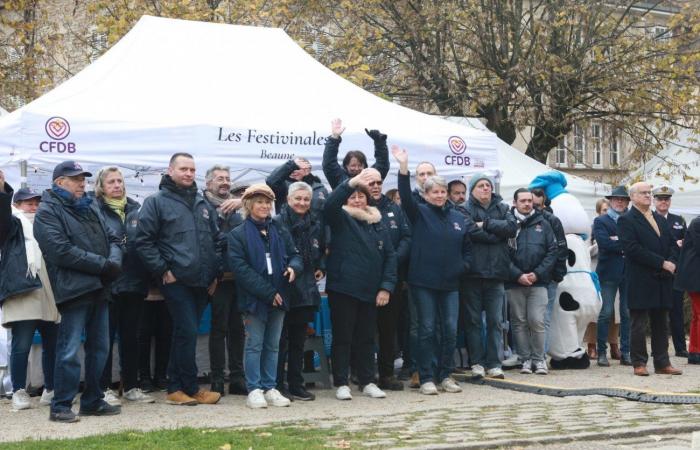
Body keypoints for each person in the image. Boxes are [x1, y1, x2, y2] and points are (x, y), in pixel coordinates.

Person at [33, 161, 123, 422]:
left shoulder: (91, 205)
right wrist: (104, 265)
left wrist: (113, 262)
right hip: (73, 290)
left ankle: (92, 401)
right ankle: (60, 406)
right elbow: (60, 251)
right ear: (59, 182)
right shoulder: (47, 211)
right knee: (69, 350)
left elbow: (114, 237)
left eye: (83, 178)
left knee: (100, 349)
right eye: (75, 179)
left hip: (100, 287)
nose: (82, 182)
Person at [135, 153, 223, 406]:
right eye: (183, 168)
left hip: (203, 281)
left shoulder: (202, 203)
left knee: (184, 334)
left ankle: (176, 387)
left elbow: (217, 241)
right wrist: (163, 270)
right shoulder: (156, 202)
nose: (188, 173)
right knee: (186, 331)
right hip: (177, 280)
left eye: (192, 169)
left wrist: (215, 273)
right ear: (170, 170)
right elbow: (144, 241)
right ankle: (190, 388)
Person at [393, 146, 472, 394]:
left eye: (441, 192)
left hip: (450, 284)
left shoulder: (458, 217)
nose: (438, 195)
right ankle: (426, 376)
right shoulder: (420, 213)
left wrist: (462, 266)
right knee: (426, 330)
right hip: (423, 283)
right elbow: (405, 196)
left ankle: (445, 374)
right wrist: (403, 168)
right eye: (434, 192)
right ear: (426, 195)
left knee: (449, 330)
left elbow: (468, 249)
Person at [227, 184, 303, 409]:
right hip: (255, 300)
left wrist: (293, 269)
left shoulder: (278, 229)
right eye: (259, 202)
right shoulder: (237, 234)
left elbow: (295, 255)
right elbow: (241, 271)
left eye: (267, 202)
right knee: (254, 345)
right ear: (249, 205)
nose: (264, 206)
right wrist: (269, 293)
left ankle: (270, 387)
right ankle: (254, 389)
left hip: (281, 295)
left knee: (273, 345)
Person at [324, 169, 397, 400]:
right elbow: (328, 206)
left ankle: (367, 381)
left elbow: (390, 256)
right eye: (353, 196)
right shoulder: (340, 218)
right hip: (343, 288)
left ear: (368, 199)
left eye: (361, 196)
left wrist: (386, 287)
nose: (357, 200)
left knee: (367, 338)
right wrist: (350, 183)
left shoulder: (378, 221)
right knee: (343, 337)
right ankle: (342, 382)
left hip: (371, 290)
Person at [91, 167, 154, 405]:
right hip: (107, 283)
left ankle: (131, 385)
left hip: (135, 281)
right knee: (104, 338)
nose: (117, 185)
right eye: (111, 182)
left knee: (131, 337)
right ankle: (104, 386)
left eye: (119, 181)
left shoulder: (136, 210)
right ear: (101, 186)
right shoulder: (95, 209)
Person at [0, 177, 60, 411]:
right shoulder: (12, 225)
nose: (33, 207)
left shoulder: (48, 224)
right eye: (28, 203)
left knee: (52, 344)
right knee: (21, 346)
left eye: (37, 203)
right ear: (16, 205)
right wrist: (2, 191)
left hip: (49, 291)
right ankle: (18, 390)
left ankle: (51, 389)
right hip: (22, 291)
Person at [618, 182, 680, 376]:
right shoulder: (626, 220)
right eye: (643, 193)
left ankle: (662, 362)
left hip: (662, 279)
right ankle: (639, 362)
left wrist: (671, 261)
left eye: (648, 193)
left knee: (661, 322)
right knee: (639, 322)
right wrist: (662, 262)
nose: (648, 196)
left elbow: (672, 244)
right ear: (633, 197)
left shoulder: (659, 219)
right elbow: (632, 249)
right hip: (641, 278)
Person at [273, 182, 327, 401]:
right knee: (280, 341)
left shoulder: (315, 222)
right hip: (285, 288)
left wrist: (321, 266)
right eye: (298, 198)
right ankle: (277, 384)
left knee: (298, 341)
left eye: (306, 199)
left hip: (306, 290)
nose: (303, 203)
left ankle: (296, 383)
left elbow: (322, 249)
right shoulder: (277, 222)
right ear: (288, 199)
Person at [461, 173, 516, 379]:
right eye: (481, 185)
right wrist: (495, 232)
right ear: (472, 189)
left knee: (495, 321)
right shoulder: (464, 209)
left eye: (488, 185)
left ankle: (494, 363)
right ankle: (476, 362)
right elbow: (469, 231)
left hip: (496, 274)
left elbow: (511, 228)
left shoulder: (503, 207)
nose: (485, 188)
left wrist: (485, 224)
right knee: (473, 321)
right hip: (472, 274)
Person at [202, 165, 247, 396]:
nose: (225, 182)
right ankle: (217, 379)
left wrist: (243, 203)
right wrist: (213, 274)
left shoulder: (239, 207)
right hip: (217, 279)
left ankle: (238, 379)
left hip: (238, 279)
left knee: (237, 330)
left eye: (228, 178)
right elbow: (208, 243)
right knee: (218, 329)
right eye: (220, 178)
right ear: (209, 183)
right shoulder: (203, 206)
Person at [367, 170, 412, 391]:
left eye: (378, 182)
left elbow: (406, 237)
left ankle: (386, 375)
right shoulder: (357, 208)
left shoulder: (394, 208)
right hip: (366, 280)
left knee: (388, 330)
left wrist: (393, 259)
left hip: (392, 278)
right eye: (371, 183)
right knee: (365, 330)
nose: (375, 186)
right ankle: (363, 374)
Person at [506, 189, 557, 375]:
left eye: (529, 201)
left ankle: (539, 359)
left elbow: (552, 252)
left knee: (537, 320)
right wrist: (517, 275)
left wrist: (536, 274)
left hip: (539, 282)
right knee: (518, 322)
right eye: (523, 201)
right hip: (515, 282)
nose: (527, 204)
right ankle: (525, 359)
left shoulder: (544, 223)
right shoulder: (508, 224)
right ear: (515, 202)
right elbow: (502, 254)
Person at [592, 186, 632, 367]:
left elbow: (636, 244)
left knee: (626, 313)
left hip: (629, 271)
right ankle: (602, 352)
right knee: (606, 312)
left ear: (627, 202)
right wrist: (625, 245)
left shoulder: (632, 220)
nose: (620, 202)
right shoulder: (601, 221)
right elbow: (605, 244)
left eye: (623, 199)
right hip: (608, 271)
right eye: (616, 199)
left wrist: (618, 241)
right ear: (610, 201)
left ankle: (626, 353)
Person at [530, 188, 568, 353]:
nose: (535, 208)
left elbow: (561, 248)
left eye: (538, 205)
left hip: (548, 276)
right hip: (524, 276)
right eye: (532, 204)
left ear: (544, 204)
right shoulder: (517, 219)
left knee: (544, 317)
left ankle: (541, 356)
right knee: (524, 319)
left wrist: (557, 274)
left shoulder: (552, 220)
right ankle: (524, 355)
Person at [653, 185, 688, 357]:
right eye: (660, 198)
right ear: (654, 201)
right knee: (656, 311)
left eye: (666, 199)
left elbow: (686, 244)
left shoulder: (678, 220)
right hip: (656, 270)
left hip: (675, 271)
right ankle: (657, 348)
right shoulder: (648, 218)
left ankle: (680, 348)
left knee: (676, 311)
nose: (663, 202)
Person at [584, 198, 620, 360]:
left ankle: (614, 344)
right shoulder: (592, 228)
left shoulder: (619, 224)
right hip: (596, 271)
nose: (607, 212)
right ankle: (592, 345)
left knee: (615, 311)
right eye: (604, 210)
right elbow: (586, 251)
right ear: (599, 212)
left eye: (609, 209)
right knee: (598, 310)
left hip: (615, 269)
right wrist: (601, 244)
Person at [322, 118, 390, 189]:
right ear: (346, 166)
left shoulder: (371, 177)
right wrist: (334, 137)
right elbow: (328, 163)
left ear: (364, 166)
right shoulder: (339, 178)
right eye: (353, 165)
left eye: (360, 165)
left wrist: (380, 142)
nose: (356, 168)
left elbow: (383, 165)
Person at [674, 216, 700, 364]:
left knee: (698, 314)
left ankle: (695, 351)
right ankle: (695, 351)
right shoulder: (697, 223)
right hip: (695, 277)